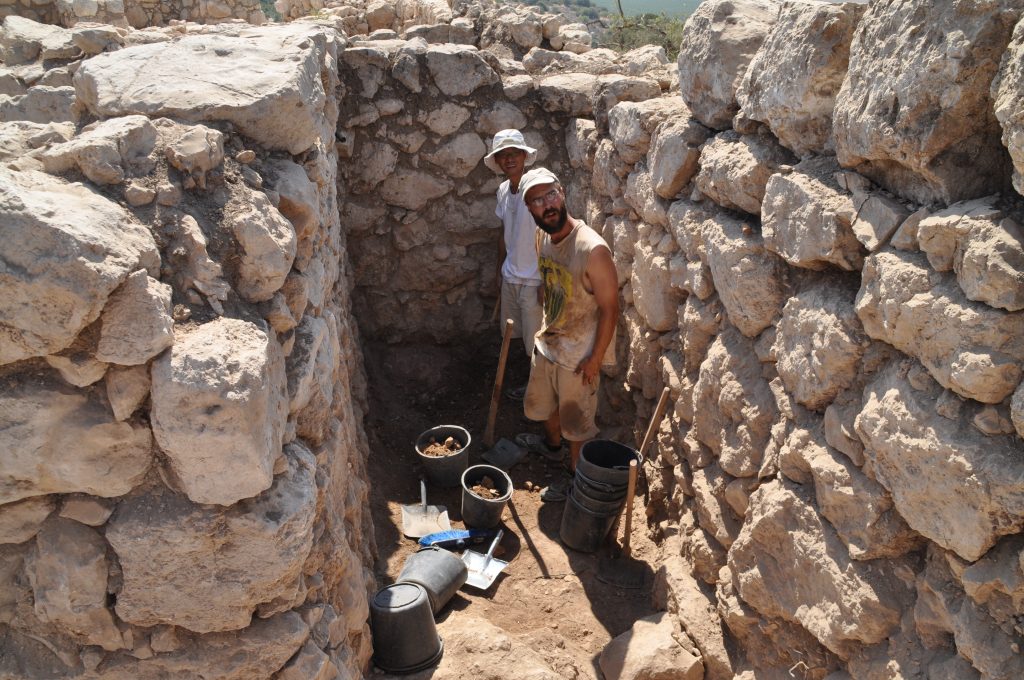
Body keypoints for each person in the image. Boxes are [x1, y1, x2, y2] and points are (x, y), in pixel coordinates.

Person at [514, 167, 619, 502]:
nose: (547, 204)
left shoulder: (592, 250)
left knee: (578, 426)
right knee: (545, 409)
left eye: (551, 194)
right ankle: (552, 448)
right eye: (537, 200)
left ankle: (575, 480)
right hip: (550, 344)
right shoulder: (543, 236)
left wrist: (595, 359)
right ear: (529, 209)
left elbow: (610, 309)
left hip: (579, 357)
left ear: (562, 192)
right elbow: (549, 277)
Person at [483, 129, 543, 401]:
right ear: (497, 161)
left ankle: (540, 395)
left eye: (513, 154)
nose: (509, 160)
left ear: (524, 156)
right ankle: (529, 385)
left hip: (534, 281)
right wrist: (499, 271)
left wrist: (547, 280)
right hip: (511, 277)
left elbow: (553, 233)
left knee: (537, 343)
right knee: (515, 335)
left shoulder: (538, 187)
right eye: (503, 155)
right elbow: (503, 233)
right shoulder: (504, 191)